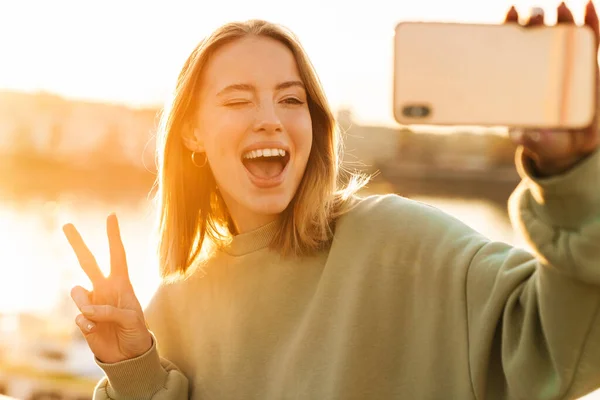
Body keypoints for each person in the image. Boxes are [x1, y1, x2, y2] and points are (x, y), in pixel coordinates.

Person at [61, 2, 600, 399]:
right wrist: (132, 367)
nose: (270, 117)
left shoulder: (401, 242)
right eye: (239, 99)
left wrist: (574, 173)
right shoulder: (170, 314)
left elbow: (563, 352)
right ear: (192, 134)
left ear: (314, 125)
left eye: (291, 99)